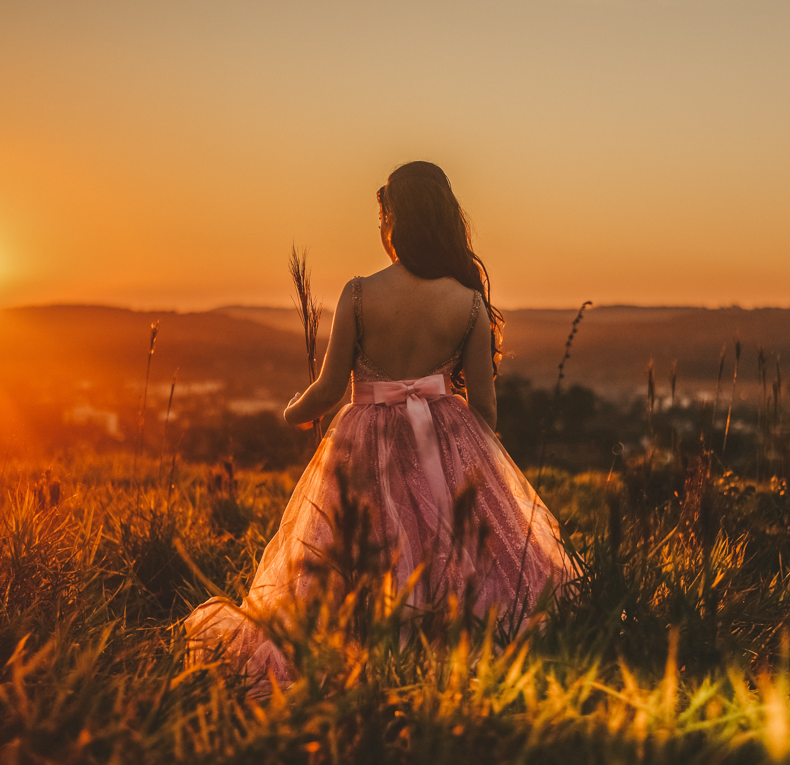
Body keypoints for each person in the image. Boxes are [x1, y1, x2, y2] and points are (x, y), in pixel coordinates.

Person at [183, 161, 571, 687]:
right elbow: (486, 409)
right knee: (451, 550)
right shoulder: (470, 304)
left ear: (394, 220)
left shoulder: (360, 293)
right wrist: (466, 449)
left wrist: (292, 411)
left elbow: (327, 389)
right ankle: (449, 644)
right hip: (446, 439)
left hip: (364, 442)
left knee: (356, 550)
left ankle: (361, 643)